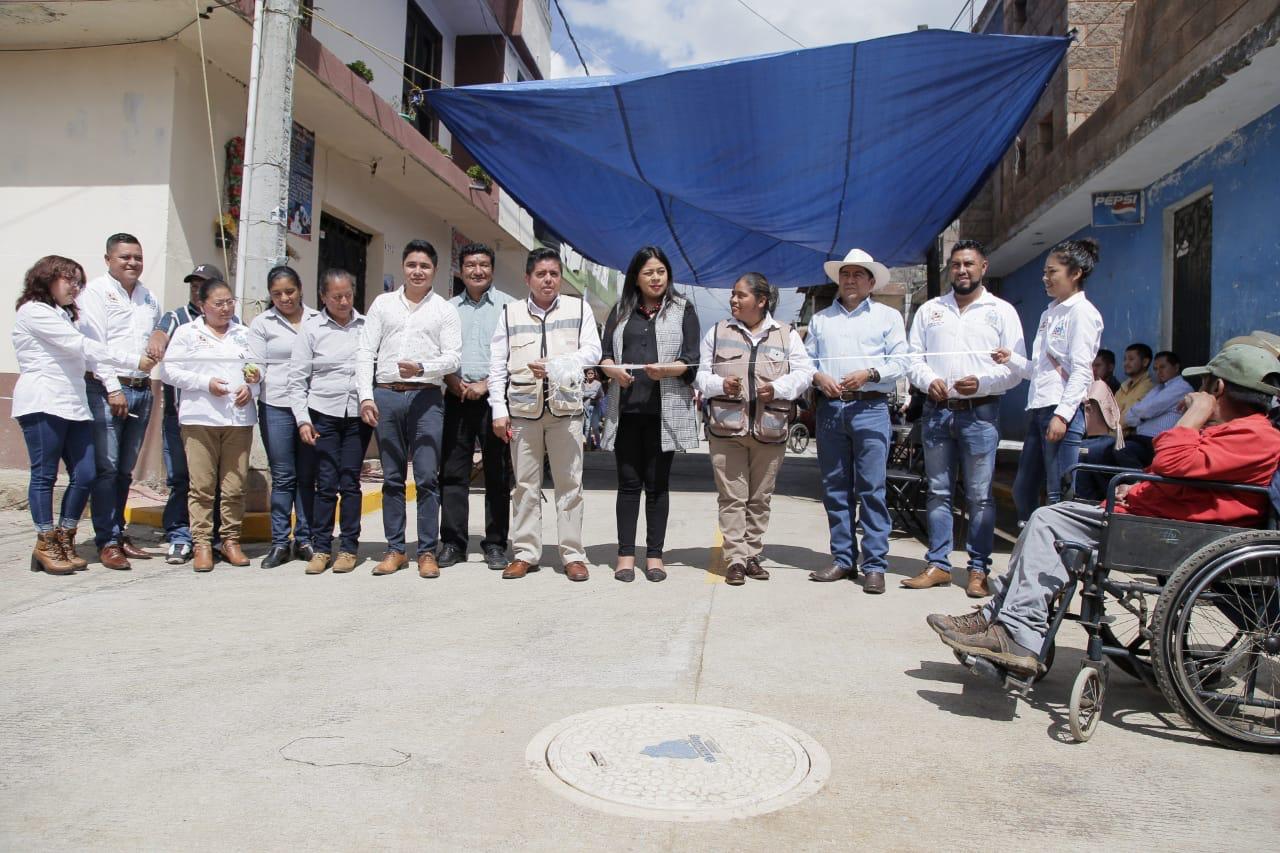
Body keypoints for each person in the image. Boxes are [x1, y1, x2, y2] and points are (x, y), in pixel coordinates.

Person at [930, 344, 1280, 675]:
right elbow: (1180, 472)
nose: (1198, 392)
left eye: (1204, 385)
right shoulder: (1236, 431)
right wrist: (1139, 487)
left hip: (1167, 530)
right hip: (1155, 517)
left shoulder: (1257, 436)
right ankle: (997, 617)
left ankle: (1019, 632)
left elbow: (1172, 461)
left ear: (1218, 387)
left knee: (1048, 521)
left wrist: (1193, 415)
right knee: (1049, 521)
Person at [12, 256, 155, 574]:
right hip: (43, 401)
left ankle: (65, 535)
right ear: (46, 279)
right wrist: (133, 359)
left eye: (79, 282)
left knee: (87, 473)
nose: (75, 287)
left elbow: (92, 352)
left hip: (74, 404)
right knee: (45, 475)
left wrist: (119, 375)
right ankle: (46, 542)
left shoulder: (69, 315)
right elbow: (81, 346)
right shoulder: (34, 311)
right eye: (69, 280)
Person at [903, 240, 1025, 597]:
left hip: (981, 414)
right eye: (956, 264)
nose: (962, 271)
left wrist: (982, 383)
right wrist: (929, 380)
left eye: (969, 264)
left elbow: (1016, 368)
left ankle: (978, 570)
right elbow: (913, 358)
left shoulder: (1001, 312)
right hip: (937, 412)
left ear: (983, 267)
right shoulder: (931, 310)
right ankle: (939, 565)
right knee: (938, 491)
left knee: (980, 496)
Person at [489, 247, 602, 581]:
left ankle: (572, 555)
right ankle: (525, 553)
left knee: (570, 484)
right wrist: (498, 409)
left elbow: (592, 351)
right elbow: (497, 365)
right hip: (523, 411)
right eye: (541, 274)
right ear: (528, 279)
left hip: (566, 410)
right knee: (525, 485)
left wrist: (556, 365)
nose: (548, 280)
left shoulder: (578, 309)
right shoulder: (510, 313)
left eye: (554, 274)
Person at [696, 272, 814, 587]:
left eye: (741, 295)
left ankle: (752, 554)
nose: (733, 299)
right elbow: (700, 375)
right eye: (733, 294)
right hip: (727, 430)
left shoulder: (787, 335)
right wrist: (720, 384)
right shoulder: (718, 331)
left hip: (770, 430)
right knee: (732, 498)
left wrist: (778, 388)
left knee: (760, 498)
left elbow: (804, 373)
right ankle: (735, 559)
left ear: (761, 301)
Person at [357, 240, 461, 578]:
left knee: (427, 476)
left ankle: (427, 551)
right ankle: (395, 550)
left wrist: (421, 368)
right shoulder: (383, 304)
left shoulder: (444, 310)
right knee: (392, 477)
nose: (418, 271)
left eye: (424, 266)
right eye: (412, 265)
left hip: (426, 397)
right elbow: (365, 351)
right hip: (386, 395)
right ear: (403, 267)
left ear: (435, 270)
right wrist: (366, 396)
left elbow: (453, 358)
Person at [805, 249, 906, 594]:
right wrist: (819, 377)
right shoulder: (821, 320)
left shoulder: (888, 317)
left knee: (872, 488)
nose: (850, 280)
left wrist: (871, 373)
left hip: (870, 408)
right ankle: (843, 558)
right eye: (845, 274)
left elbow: (902, 361)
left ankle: (874, 564)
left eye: (857, 274)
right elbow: (805, 361)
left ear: (871, 282)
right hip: (831, 409)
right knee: (835, 488)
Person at [599, 246, 700, 583]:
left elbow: (692, 359)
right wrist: (612, 370)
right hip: (626, 410)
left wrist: (668, 370)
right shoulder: (621, 310)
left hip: (664, 411)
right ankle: (625, 555)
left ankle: (655, 555)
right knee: (628, 485)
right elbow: (605, 356)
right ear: (636, 278)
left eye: (661, 271)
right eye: (648, 273)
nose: (656, 278)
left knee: (657, 486)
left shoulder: (683, 309)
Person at [995, 238, 1103, 522]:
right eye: (1045, 272)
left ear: (1075, 273)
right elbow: (1040, 371)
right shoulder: (1049, 313)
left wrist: (1063, 416)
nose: (1045, 278)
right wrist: (1011, 359)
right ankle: (1032, 540)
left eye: (1052, 272)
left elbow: (1081, 370)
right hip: (1039, 409)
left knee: (1058, 493)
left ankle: (1057, 546)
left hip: (1062, 412)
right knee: (1023, 489)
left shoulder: (1082, 313)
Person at [159, 279, 261, 572]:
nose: (226, 308)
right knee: (202, 486)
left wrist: (252, 388)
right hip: (200, 418)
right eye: (218, 303)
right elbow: (168, 371)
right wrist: (204, 383)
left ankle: (230, 540)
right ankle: (202, 543)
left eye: (229, 302)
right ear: (202, 305)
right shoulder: (187, 333)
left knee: (234, 486)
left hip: (238, 420)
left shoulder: (244, 333)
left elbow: (257, 370)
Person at [76, 233, 163, 569]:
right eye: (125, 257)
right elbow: (94, 348)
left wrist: (160, 337)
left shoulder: (148, 297)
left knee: (125, 470)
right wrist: (113, 389)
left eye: (137, 257)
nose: (133, 263)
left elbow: (155, 336)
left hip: (142, 390)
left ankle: (118, 532)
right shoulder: (95, 293)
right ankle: (107, 541)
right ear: (108, 259)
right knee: (107, 468)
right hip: (107, 389)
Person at [288, 269, 371, 575]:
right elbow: (297, 379)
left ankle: (348, 547)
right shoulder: (311, 329)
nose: (344, 301)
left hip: (357, 416)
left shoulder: (366, 326)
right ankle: (322, 547)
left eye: (348, 295)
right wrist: (303, 420)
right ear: (323, 297)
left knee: (350, 482)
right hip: (323, 413)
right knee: (326, 483)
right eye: (336, 297)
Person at [438, 242, 514, 571]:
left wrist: (487, 384)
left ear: (492, 270)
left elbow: (515, 354)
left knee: (497, 474)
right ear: (461, 269)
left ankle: (495, 544)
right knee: (453, 473)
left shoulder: (510, 308)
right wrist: (452, 381)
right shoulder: (447, 309)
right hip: (455, 397)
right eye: (471, 265)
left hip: (495, 401)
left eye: (483, 265)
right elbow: (438, 351)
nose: (477, 271)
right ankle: (453, 543)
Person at [148, 263, 223, 564]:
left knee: (212, 479)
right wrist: (156, 340)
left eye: (203, 285)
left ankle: (211, 537)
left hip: (217, 417)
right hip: (180, 416)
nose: (197, 289)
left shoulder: (229, 321)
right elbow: (159, 335)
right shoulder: (176, 318)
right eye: (193, 285)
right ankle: (180, 535)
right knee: (181, 477)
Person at [248, 266, 320, 568]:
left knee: (307, 475)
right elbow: (255, 361)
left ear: (300, 288)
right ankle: (280, 541)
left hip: (312, 405)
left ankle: (305, 538)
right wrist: (252, 374)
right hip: (276, 404)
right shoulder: (262, 323)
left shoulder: (317, 319)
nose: (285, 298)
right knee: (283, 476)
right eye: (277, 294)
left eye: (289, 291)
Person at [1114, 350, 1193, 469]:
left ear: (1176, 367)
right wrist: (1141, 415)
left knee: (1121, 450)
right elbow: (1134, 414)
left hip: (1159, 442)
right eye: (1155, 369)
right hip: (1142, 439)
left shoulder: (1181, 387)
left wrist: (1141, 415)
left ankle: (1139, 480)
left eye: (1162, 367)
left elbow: (1146, 409)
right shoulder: (1158, 388)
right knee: (1108, 453)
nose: (1158, 372)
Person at [581, 368, 604, 448]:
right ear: (586, 374)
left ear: (594, 375)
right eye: (589, 373)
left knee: (595, 428)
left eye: (592, 373)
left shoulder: (598, 384)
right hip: (586, 408)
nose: (590, 375)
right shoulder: (583, 384)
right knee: (587, 428)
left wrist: (594, 396)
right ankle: (588, 447)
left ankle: (598, 446)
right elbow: (580, 395)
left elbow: (602, 395)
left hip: (595, 408)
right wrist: (590, 395)